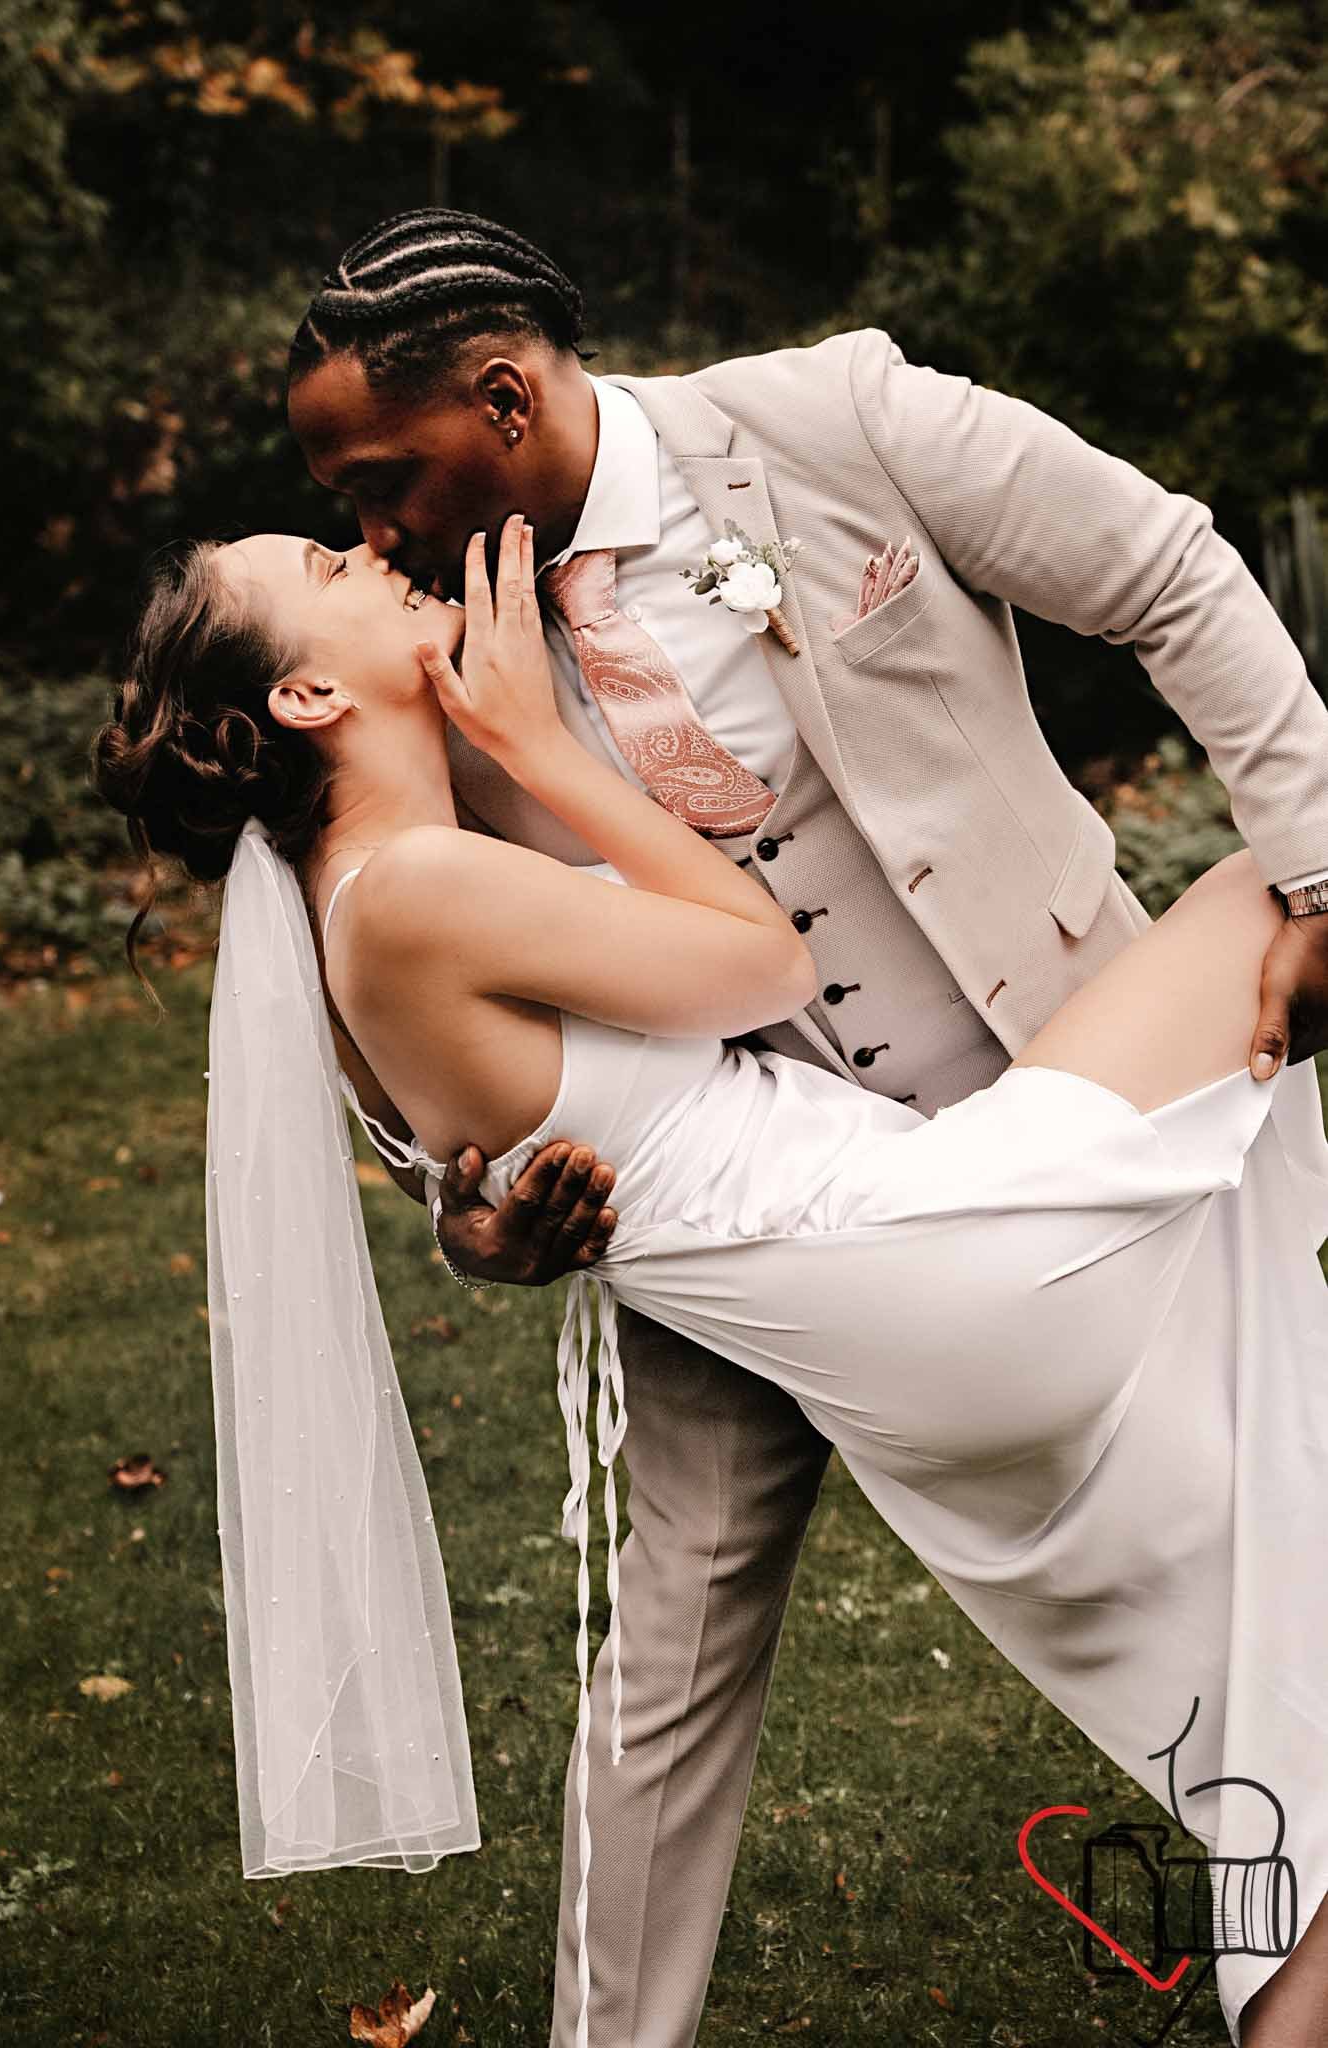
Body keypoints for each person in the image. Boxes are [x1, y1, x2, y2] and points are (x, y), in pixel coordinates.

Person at [276, 207, 1328, 2047]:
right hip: (754, 1211)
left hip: (1056, 1090)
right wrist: (470, 1198)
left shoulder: (836, 422)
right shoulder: (426, 658)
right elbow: (404, 990)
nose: (368, 528)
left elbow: (1167, 569)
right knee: (666, 1660)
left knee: (1254, 1508)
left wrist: (1320, 879)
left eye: (379, 476)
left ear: (506, 397)